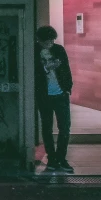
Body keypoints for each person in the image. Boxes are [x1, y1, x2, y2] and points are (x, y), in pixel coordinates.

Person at [35, 25, 74, 173]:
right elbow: (33, 72)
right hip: (44, 95)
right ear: (39, 40)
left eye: (52, 40)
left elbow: (66, 69)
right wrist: (47, 68)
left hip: (60, 94)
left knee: (65, 127)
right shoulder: (34, 51)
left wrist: (67, 88)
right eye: (47, 41)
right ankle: (52, 158)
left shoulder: (59, 50)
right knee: (47, 127)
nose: (50, 43)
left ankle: (61, 158)